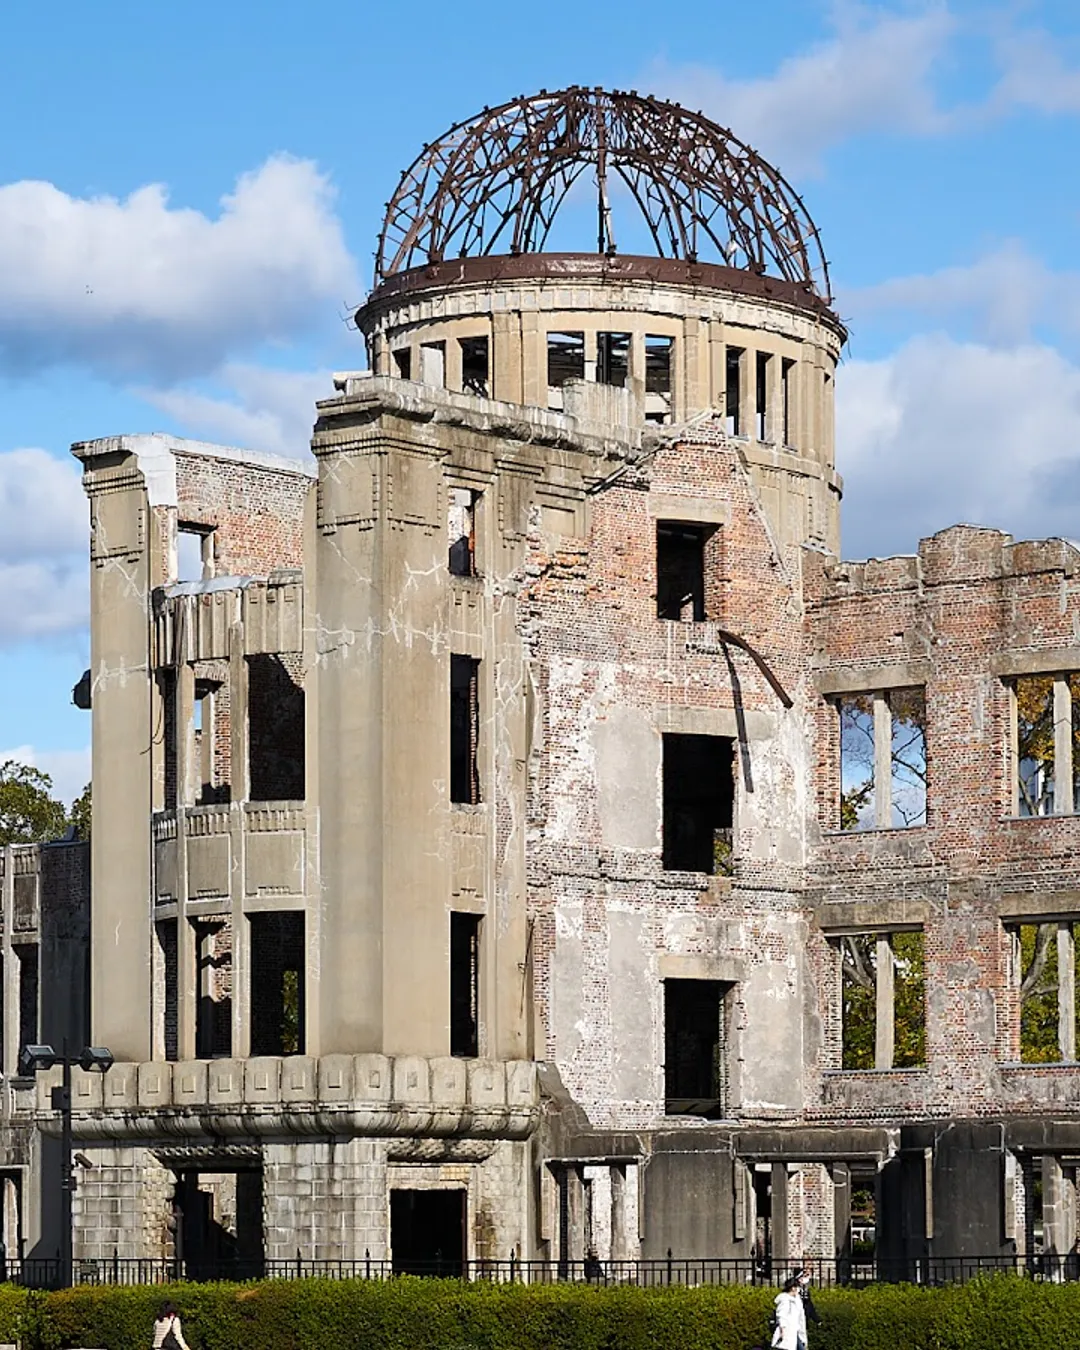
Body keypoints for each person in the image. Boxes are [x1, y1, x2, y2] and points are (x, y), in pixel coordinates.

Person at [770, 1276, 802, 1350]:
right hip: (786, 1332)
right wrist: (782, 1331)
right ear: (793, 1288)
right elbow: (781, 1315)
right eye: (797, 1287)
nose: (799, 1290)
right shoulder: (785, 1300)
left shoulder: (795, 1300)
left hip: (793, 1331)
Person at [795, 1269, 821, 1349]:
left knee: (803, 1342)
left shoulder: (805, 1290)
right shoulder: (794, 1290)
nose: (807, 1278)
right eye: (805, 1276)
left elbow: (809, 1305)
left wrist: (816, 1319)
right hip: (795, 1321)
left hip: (803, 1319)